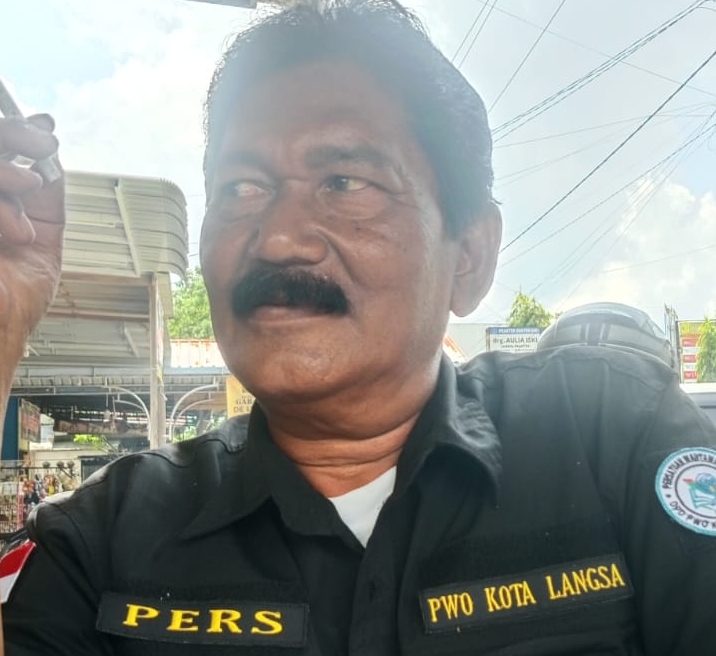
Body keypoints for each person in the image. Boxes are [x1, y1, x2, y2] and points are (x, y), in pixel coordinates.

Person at [2, 1, 716, 653]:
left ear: (469, 255)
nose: (278, 238)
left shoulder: (611, 434)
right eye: (242, 188)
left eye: (344, 183)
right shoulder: (103, 539)